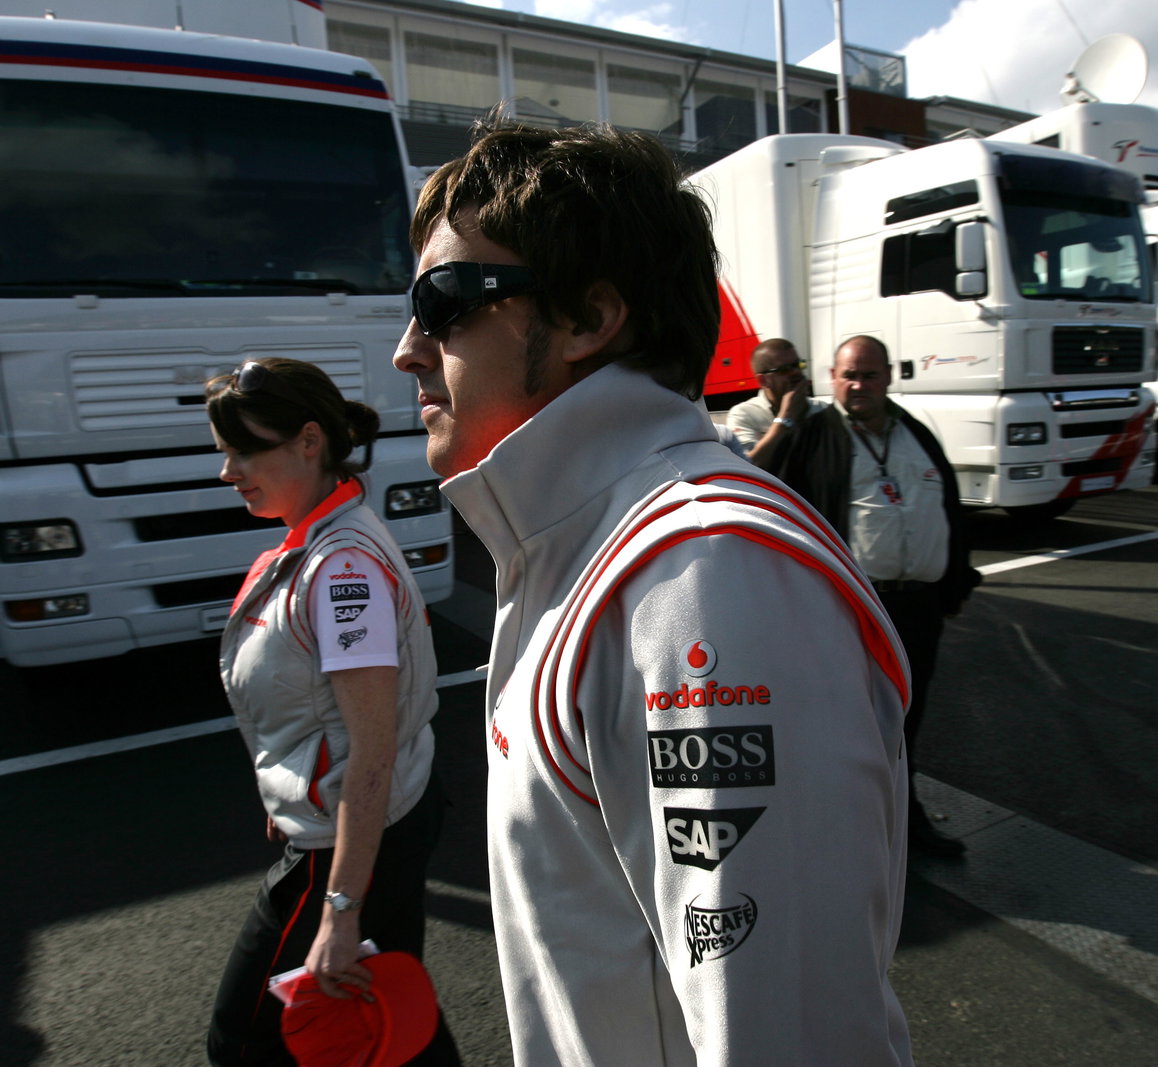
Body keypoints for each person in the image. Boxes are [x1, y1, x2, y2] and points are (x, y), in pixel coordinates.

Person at [393, 119, 915, 1065]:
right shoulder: (575, 542)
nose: (409, 348)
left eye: (443, 301)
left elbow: (789, 1037)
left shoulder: (705, 572)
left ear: (590, 317)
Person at [204, 357, 459, 1066]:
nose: (228, 471)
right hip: (365, 818)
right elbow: (313, 710)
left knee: (241, 1040)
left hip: (350, 836)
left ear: (309, 441)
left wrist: (340, 911)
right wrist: (291, 782)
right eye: (224, 452)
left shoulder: (342, 567)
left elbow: (371, 748)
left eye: (244, 451)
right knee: (387, 1021)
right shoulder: (316, 541)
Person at [775, 336, 982, 857]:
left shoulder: (915, 433)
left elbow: (948, 508)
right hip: (853, 611)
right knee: (848, 724)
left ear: (888, 377)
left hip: (918, 608)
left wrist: (955, 581)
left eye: (869, 375)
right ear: (832, 377)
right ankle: (845, 831)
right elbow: (781, 512)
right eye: (849, 375)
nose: (858, 385)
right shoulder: (815, 436)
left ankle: (904, 824)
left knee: (906, 720)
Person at [724, 337, 825, 465]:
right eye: (785, 370)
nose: (796, 372)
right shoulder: (743, 414)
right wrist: (785, 418)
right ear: (763, 380)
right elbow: (747, 465)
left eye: (798, 365)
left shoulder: (821, 409)